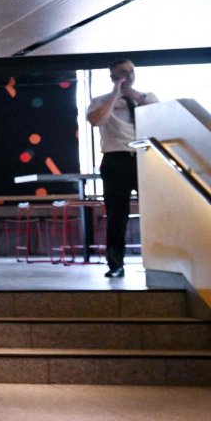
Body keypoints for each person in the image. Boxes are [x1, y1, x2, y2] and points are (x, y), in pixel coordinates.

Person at [85, 59, 158, 277]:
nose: (128, 75)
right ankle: (116, 264)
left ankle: (159, 260)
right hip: (115, 159)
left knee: (154, 210)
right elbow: (96, 121)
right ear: (112, 76)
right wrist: (115, 93)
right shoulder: (100, 101)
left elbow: (159, 113)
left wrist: (133, 94)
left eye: (131, 71)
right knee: (117, 214)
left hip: (145, 158)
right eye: (122, 72)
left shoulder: (147, 98)